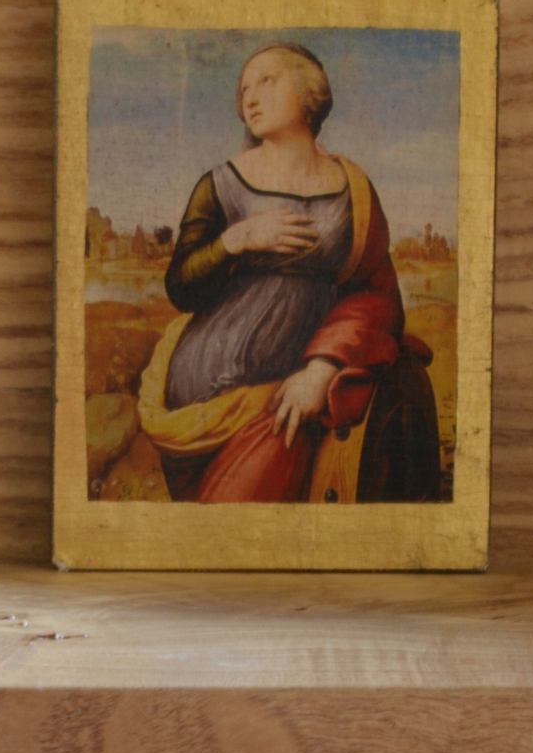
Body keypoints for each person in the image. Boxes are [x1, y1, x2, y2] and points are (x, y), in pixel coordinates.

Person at [138, 43, 405, 502]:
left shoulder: (354, 191)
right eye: (244, 89)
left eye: (267, 81)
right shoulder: (219, 183)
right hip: (194, 401)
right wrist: (238, 239)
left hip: (285, 396)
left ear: (310, 90)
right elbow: (180, 287)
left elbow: (377, 295)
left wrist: (322, 369)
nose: (251, 98)